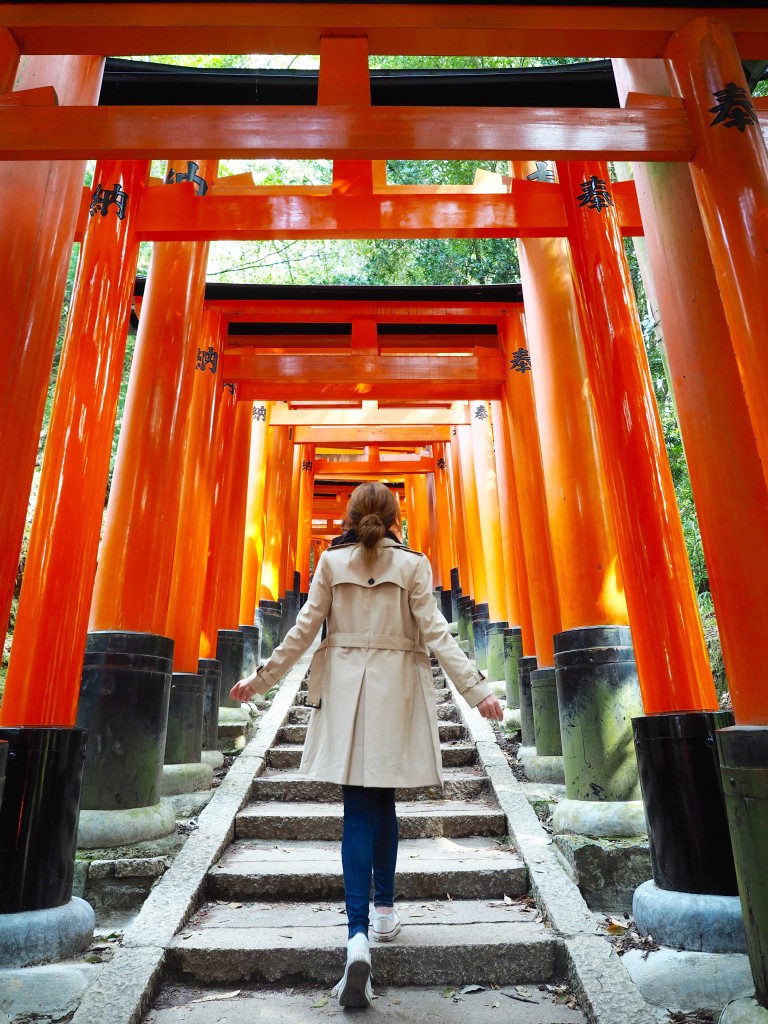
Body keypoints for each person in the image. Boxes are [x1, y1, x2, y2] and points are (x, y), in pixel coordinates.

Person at [231, 481, 503, 1008]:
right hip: (396, 693)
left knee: (356, 808)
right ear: (395, 517)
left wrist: (260, 680)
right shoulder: (414, 566)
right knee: (385, 802)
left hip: (346, 695)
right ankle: (384, 913)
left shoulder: (331, 564)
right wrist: (477, 691)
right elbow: (439, 634)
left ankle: (356, 935)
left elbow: (303, 631)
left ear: (351, 517)